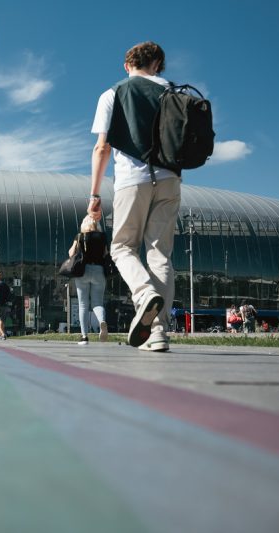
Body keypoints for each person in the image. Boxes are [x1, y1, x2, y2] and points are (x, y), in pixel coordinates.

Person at [88, 41, 180, 352]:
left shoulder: (113, 93)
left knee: (122, 247)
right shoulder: (173, 91)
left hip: (132, 179)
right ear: (157, 65)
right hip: (170, 179)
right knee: (160, 254)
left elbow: (102, 148)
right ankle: (158, 332)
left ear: (127, 65)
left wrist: (94, 193)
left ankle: (144, 294)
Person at [72, 215, 109, 345]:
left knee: (83, 304)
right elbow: (106, 254)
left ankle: (84, 337)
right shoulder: (103, 237)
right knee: (97, 303)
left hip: (83, 271)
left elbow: (71, 253)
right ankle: (102, 321)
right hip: (99, 271)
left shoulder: (80, 236)